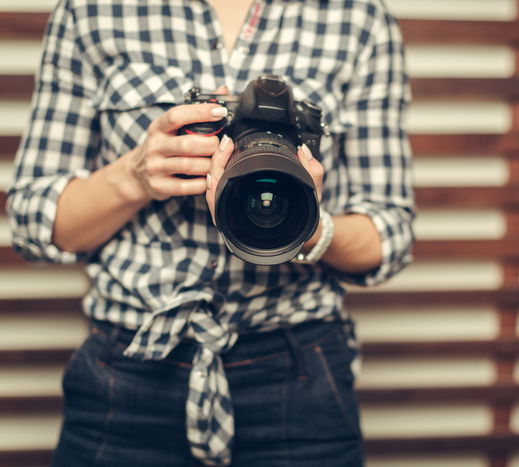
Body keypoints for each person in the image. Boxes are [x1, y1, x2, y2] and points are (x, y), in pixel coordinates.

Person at [7, 0, 414, 465]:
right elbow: (33, 222)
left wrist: (306, 226)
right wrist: (136, 175)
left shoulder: (357, 16)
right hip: (129, 366)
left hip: (297, 372)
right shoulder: (91, 10)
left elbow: (390, 234)